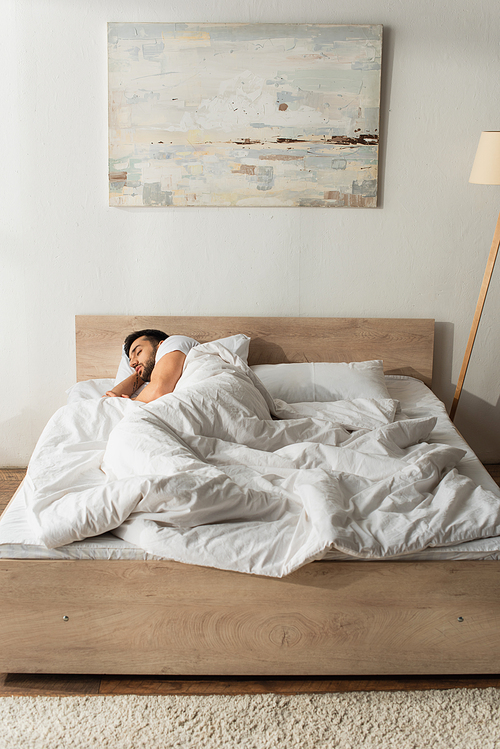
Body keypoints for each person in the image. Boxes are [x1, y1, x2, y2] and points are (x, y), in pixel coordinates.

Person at [105, 329, 199, 403]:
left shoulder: (173, 341)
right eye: (130, 361)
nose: (131, 364)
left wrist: (125, 402)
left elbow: (158, 391)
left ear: (161, 345)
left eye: (138, 352)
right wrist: (138, 373)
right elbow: (110, 398)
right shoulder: (153, 375)